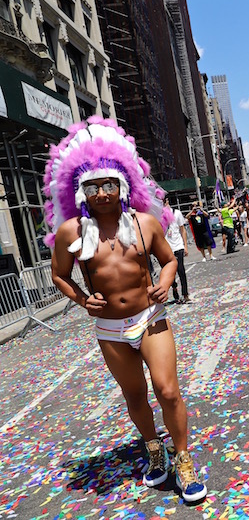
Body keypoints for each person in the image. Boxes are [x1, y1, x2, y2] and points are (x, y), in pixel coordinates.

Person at [47, 118, 207, 502]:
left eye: (108, 184)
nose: (102, 193)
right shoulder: (71, 232)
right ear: (81, 191)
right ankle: (155, 450)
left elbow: (168, 260)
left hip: (150, 319)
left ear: (122, 184)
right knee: (135, 395)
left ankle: (183, 460)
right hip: (109, 330)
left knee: (168, 391)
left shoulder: (145, 223)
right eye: (93, 186)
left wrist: (165, 282)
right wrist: (83, 300)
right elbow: (58, 275)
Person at [163, 198, 190, 303]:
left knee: (181, 270)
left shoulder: (177, 213)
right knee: (170, 273)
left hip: (178, 246)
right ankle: (174, 287)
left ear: (167, 201)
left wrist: (185, 246)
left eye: (164, 202)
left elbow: (183, 230)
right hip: (167, 248)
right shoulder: (158, 215)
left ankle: (185, 294)